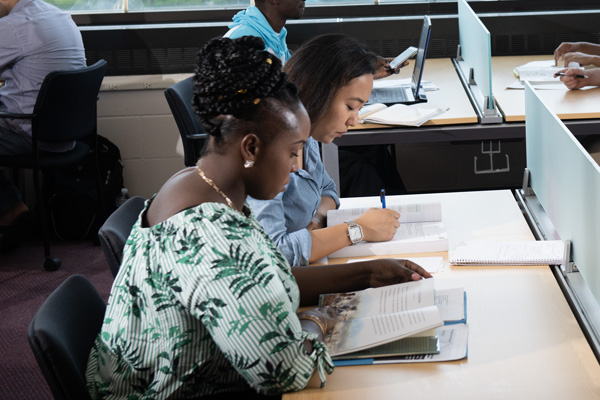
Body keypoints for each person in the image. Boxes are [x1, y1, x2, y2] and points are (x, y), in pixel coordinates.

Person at [85, 36, 431, 399]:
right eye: (294, 152)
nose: (299, 166)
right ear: (251, 148)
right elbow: (288, 371)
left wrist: (365, 273)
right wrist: (320, 320)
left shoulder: (195, 184)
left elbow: (266, 275)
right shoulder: (212, 239)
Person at [247, 33, 404, 267]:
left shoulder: (305, 134)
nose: (355, 120)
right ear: (319, 92)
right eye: (350, 107)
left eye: (360, 108)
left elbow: (328, 189)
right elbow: (273, 255)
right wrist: (357, 229)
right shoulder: (268, 150)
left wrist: (317, 222)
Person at [0, 0, 86, 250]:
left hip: (32, 134)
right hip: (67, 133)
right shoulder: (59, 16)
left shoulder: (15, 26)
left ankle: (11, 207)